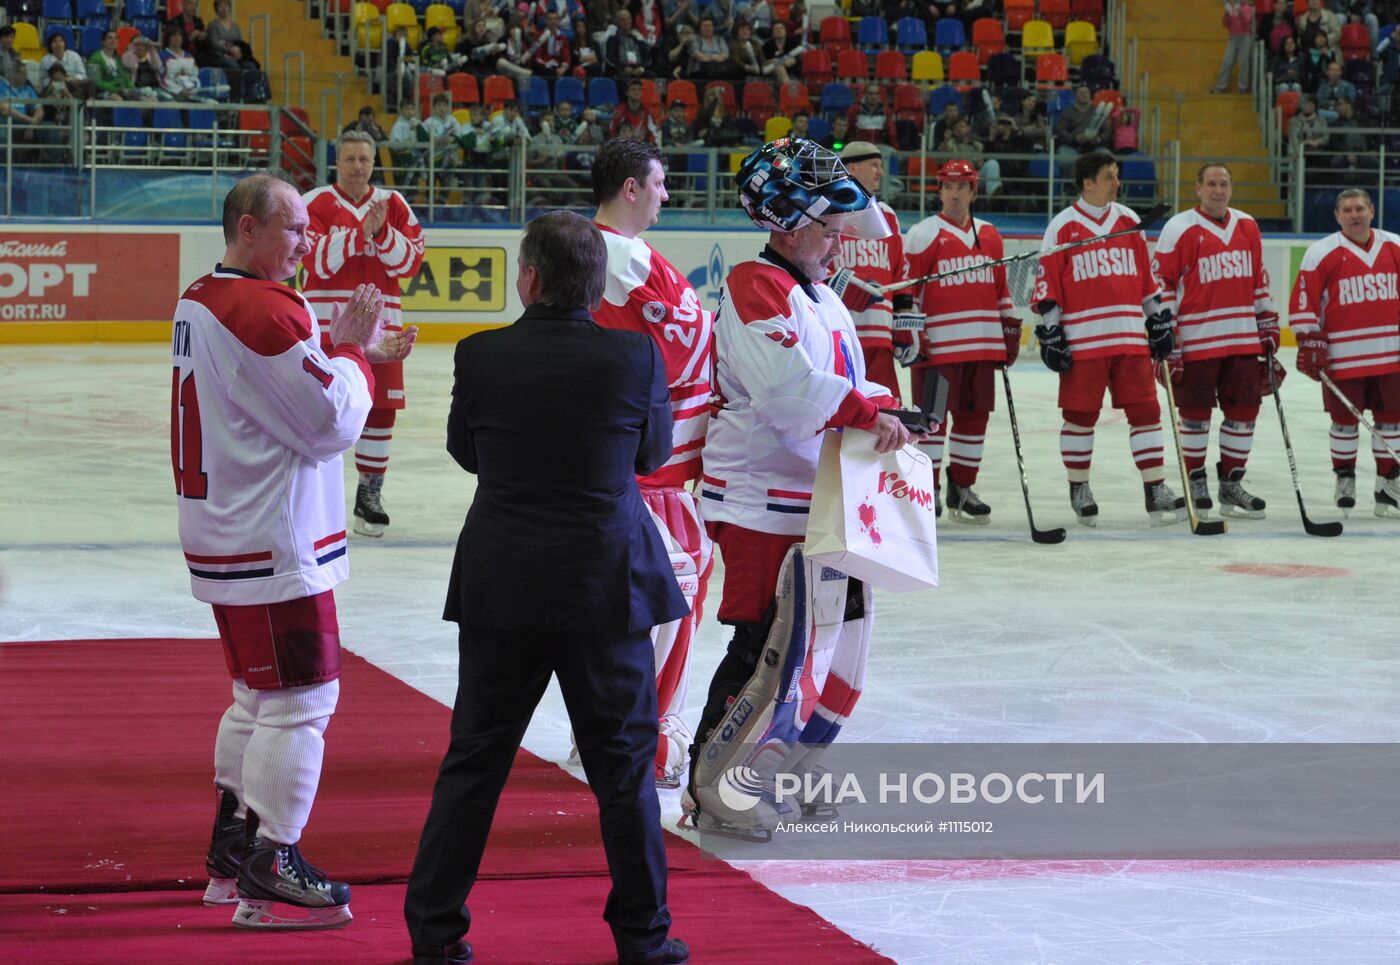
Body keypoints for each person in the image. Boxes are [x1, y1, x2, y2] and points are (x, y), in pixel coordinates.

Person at [403, 211, 691, 965]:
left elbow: (467, 451)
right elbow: (654, 454)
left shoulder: (481, 354)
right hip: (607, 585)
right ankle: (643, 935)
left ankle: (434, 931)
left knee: (475, 761)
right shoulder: (636, 357)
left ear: (528, 278)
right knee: (624, 769)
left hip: (504, 585)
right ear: (596, 287)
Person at [175, 174, 415, 930]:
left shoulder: (203, 294)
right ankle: (271, 867)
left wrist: (346, 348)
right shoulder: (261, 309)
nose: (308, 242)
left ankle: (231, 855)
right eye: (294, 230)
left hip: (228, 526)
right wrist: (352, 351)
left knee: (257, 696)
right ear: (248, 229)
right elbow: (330, 419)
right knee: (301, 700)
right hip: (272, 539)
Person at [686, 138, 914, 837]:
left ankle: (767, 771)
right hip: (762, 504)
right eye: (830, 230)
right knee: (764, 643)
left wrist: (890, 411)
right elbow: (792, 395)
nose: (841, 244)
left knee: (807, 645)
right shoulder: (757, 286)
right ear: (788, 226)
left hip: (812, 500)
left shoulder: (817, 294)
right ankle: (714, 783)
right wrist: (864, 410)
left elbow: (845, 379)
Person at [589, 138, 716, 788]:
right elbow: (685, 343)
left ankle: (642, 732)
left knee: (676, 583)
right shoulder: (613, 254)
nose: (667, 194)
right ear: (632, 188)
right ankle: (644, 741)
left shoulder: (625, 254)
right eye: (660, 183)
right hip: (643, 466)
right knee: (672, 588)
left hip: (663, 465)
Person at [1031, 151, 1185, 526]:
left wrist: (1158, 320)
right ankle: (1079, 487)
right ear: (1088, 182)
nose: (1117, 183)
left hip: (1130, 337)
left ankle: (1155, 490)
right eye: (1109, 176)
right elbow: (1049, 282)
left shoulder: (1130, 219)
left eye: (1116, 175)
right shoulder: (1063, 226)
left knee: (1147, 412)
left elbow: (1146, 281)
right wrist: (1051, 331)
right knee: (1080, 416)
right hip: (1084, 340)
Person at [301, 130, 426, 537]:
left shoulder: (394, 204)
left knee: (380, 409)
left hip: (381, 328)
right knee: (317, 408)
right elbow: (316, 262)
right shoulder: (314, 202)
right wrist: (361, 235)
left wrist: (382, 233)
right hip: (323, 328)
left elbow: (410, 262)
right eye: (351, 159)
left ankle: (368, 494)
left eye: (365, 160)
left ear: (375, 163)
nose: (358, 166)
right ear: (338, 161)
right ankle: (310, 492)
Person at [1152, 163, 1276, 519]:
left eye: (1224, 184)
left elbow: (1257, 277)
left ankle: (1231, 483)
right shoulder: (1179, 228)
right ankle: (1195, 480)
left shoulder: (1248, 225)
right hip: (1197, 341)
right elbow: (1163, 283)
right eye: (1211, 184)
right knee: (1195, 416)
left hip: (1241, 339)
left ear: (1231, 189)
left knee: (1244, 414)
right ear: (1198, 188)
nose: (1218, 190)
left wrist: (1265, 321)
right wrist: (1169, 335)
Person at [903, 159, 1021, 523]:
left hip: (983, 345)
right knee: (933, 422)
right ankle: (930, 490)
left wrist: (1009, 328)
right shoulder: (923, 233)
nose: (954, 194)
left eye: (962, 187)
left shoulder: (990, 234)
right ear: (939, 191)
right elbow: (909, 291)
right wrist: (913, 332)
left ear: (973, 191)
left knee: (975, 419)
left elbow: (1000, 289)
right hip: (938, 349)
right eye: (948, 187)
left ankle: (963, 488)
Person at [1288, 188, 1400, 517]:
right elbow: (1303, 304)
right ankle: (1345, 479)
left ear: (1372, 211)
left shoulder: (1395, 246)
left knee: (1392, 422)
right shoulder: (1321, 252)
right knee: (1344, 423)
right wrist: (1309, 340)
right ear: (1337, 216)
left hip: (1390, 354)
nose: (1354, 215)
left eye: (1360, 208)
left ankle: (1388, 483)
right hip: (1343, 355)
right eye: (1347, 210)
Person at [827, 141, 914, 403]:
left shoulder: (888, 215)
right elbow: (815, 273)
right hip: (839, 336)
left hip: (880, 337)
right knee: (840, 418)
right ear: (852, 169)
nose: (881, 172)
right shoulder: (829, 211)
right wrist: (843, 283)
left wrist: (904, 321)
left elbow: (900, 273)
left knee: (887, 418)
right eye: (874, 165)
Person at [1214, 0, 1254, 94]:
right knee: (1227, 61)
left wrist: (1241, 13)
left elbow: (1246, 22)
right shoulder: (1231, 7)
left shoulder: (1247, 8)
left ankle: (1242, 87)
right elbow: (1225, 24)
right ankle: (1221, 86)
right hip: (1233, 37)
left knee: (1243, 62)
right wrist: (1227, 14)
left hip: (1244, 37)